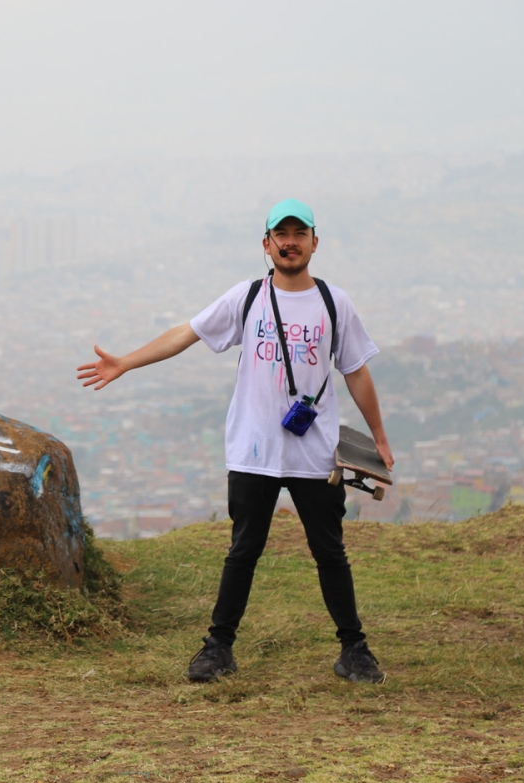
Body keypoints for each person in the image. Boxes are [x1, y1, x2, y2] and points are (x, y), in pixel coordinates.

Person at [77, 198, 393, 684]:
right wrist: (126, 362)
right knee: (243, 551)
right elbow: (186, 333)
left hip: (315, 455)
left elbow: (356, 372)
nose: (290, 242)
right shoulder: (247, 298)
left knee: (330, 553)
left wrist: (379, 438)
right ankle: (217, 648)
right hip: (253, 451)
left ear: (314, 242)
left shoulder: (335, 303)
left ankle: (354, 650)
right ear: (266, 244)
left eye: (298, 233)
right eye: (280, 235)